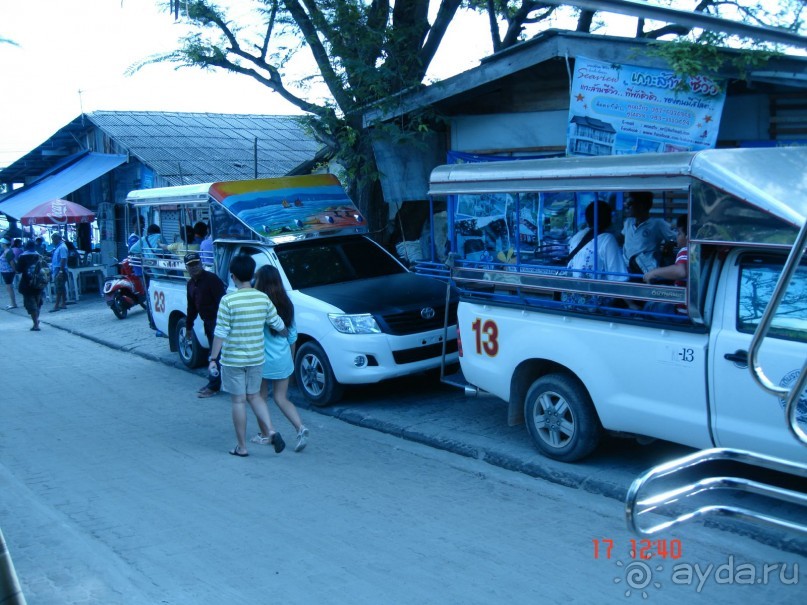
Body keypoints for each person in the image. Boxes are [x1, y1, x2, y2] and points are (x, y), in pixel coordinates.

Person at [206, 254, 288, 457]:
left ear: (232, 276)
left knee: (238, 401)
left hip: (234, 360)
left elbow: (221, 332)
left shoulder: (228, 300)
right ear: (252, 275)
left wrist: (213, 359)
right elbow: (278, 324)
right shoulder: (263, 298)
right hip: (256, 358)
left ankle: (242, 447)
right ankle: (271, 431)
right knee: (255, 396)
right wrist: (286, 334)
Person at [251, 265, 310, 452]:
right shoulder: (287, 302)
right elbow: (292, 336)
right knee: (281, 398)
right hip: (282, 358)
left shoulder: (257, 303)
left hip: (260, 360)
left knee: (259, 398)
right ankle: (300, 428)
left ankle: (267, 435)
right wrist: (291, 361)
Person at [562, 200, 627, 308]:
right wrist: (633, 304)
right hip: (593, 304)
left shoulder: (577, 236)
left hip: (570, 300)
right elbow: (619, 278)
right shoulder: (607, 239)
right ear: (608, 219)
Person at [184, 252, 227, 398]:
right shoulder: (190, 284)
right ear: (186, 268)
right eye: (190, 265)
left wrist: (221, 325)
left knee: (214, 355)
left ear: (201, 264)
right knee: (216, 354)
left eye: (196, 263)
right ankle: (214, 383)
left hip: (219, 323)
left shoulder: (212, 279)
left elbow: (222, 302)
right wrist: (188, 327)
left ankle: (213, 386)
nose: (194, 267)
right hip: (208, 323)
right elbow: (192, 307)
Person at [621, 191, 676, 276]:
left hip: (644, 271)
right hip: (625, 269)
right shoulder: (628, 223)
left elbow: (675, 238)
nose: (628, 207)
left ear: (642, 205)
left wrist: (670, 244)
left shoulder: (657, 224)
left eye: (631, 203)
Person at [643, 214, 689, 316]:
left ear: (688, 236)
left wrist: (654, 272)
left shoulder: (685, 250)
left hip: (680, 311)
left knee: (650, 305)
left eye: (679, 233)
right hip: (687, 305)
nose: (677, 236)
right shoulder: (698, 252)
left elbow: (680, 271)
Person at [16, 240, 46, 330]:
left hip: (27, 284)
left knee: (30, 304)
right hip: (39, 284)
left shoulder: (22, 257)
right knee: (38, 303)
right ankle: (36, 320)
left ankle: (36, 324)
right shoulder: (39, 256)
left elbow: (19, 270)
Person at [49, 233, 69, 312]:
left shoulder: (62, 247)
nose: (53, 241)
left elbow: (63, 259)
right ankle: (63, 303)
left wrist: (61, 271)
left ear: (57, 239)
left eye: (53, 239)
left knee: (58, 287)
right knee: (61, 287)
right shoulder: (58, 247)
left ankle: (57, 305)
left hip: (60, 269)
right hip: (58, 269)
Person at [0, 237, 18, 309]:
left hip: (8, 271)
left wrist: (15, 270)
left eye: (1, 243)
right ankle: (12, 303)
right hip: (6, 271)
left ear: (4, 244)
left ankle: (13, 303)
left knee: (9, 288)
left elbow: (12, 262)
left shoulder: (7, 252)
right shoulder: (6, 251)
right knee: (9, 288)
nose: (0, 244)